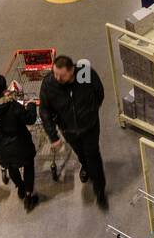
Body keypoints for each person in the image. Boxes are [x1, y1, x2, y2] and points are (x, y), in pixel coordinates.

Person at [39, 55, 108, 209]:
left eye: (61, 75)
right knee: (80, 152)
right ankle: (85, 165)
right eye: (54, 73)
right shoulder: (49, 84)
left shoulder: (86, 74)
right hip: (68, 130)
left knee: (93, 156)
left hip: (89, 126)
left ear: (71, 71)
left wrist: (91, 110)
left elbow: (99, 92)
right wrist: (53, 136)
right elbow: (44, 111)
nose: (56, 78)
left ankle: (99, 190)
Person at [0, 74, 41, 212]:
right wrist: (31, 104)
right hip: (20, 144)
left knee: (11, 167)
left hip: (2, 146)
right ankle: (29, 196)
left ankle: (21, 188)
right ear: (4, 90)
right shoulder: (12, 106)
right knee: (28, 166)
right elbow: (30, 119)